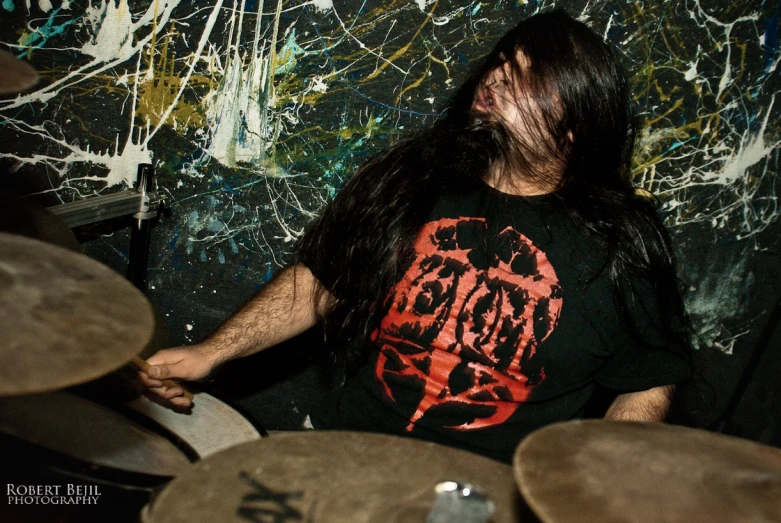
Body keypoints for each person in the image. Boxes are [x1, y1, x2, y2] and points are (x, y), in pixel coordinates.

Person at [139, 10, 692, 463]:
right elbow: (321, 281)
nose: (497, 77)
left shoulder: (620, 244)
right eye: (500, 64)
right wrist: (209, 352)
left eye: (526, 75)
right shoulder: (414, 178)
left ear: (573, 125)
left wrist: (607, 478)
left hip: (479, 493)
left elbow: (649, 378)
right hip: (340, 450)